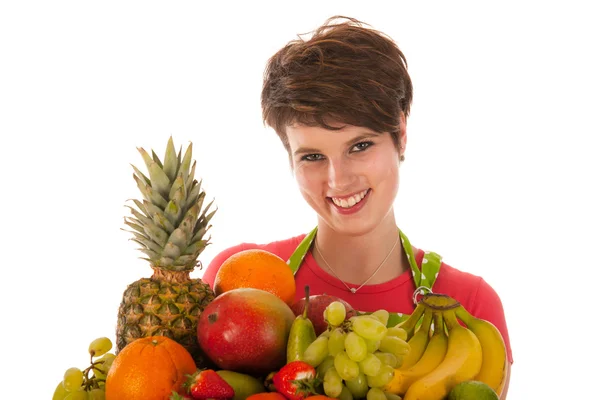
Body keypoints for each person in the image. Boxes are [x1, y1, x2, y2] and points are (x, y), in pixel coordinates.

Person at [201, 15, 512, 397]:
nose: (338, 180)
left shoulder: (471, 306)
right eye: (312, 156)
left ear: (400, 135)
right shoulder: (236, 282)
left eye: (360, 146)